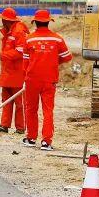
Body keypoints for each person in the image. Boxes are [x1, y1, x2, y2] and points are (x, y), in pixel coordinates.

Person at [21, 9, 72, 151]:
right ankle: (46, 142)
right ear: (49, 22)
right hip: (50, 79)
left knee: (31, 109)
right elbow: (67, 57)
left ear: (35, 22)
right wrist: (53, 61)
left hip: (32, 79)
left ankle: (31, 138)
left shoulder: (29, 39)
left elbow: (25, 63)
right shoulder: (57, 39)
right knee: (48, 110)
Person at [0, 7, 28, 134]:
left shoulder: (19, 31)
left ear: (7, 20)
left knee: (19, 102)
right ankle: (4, 125)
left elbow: (20, 52)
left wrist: (2, 55)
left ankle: (20, 127)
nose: (1, 21)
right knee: (6, 99)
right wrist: (1, 55)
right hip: (8, 72)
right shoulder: (9, 31)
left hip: (18, 73)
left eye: (3, 19)